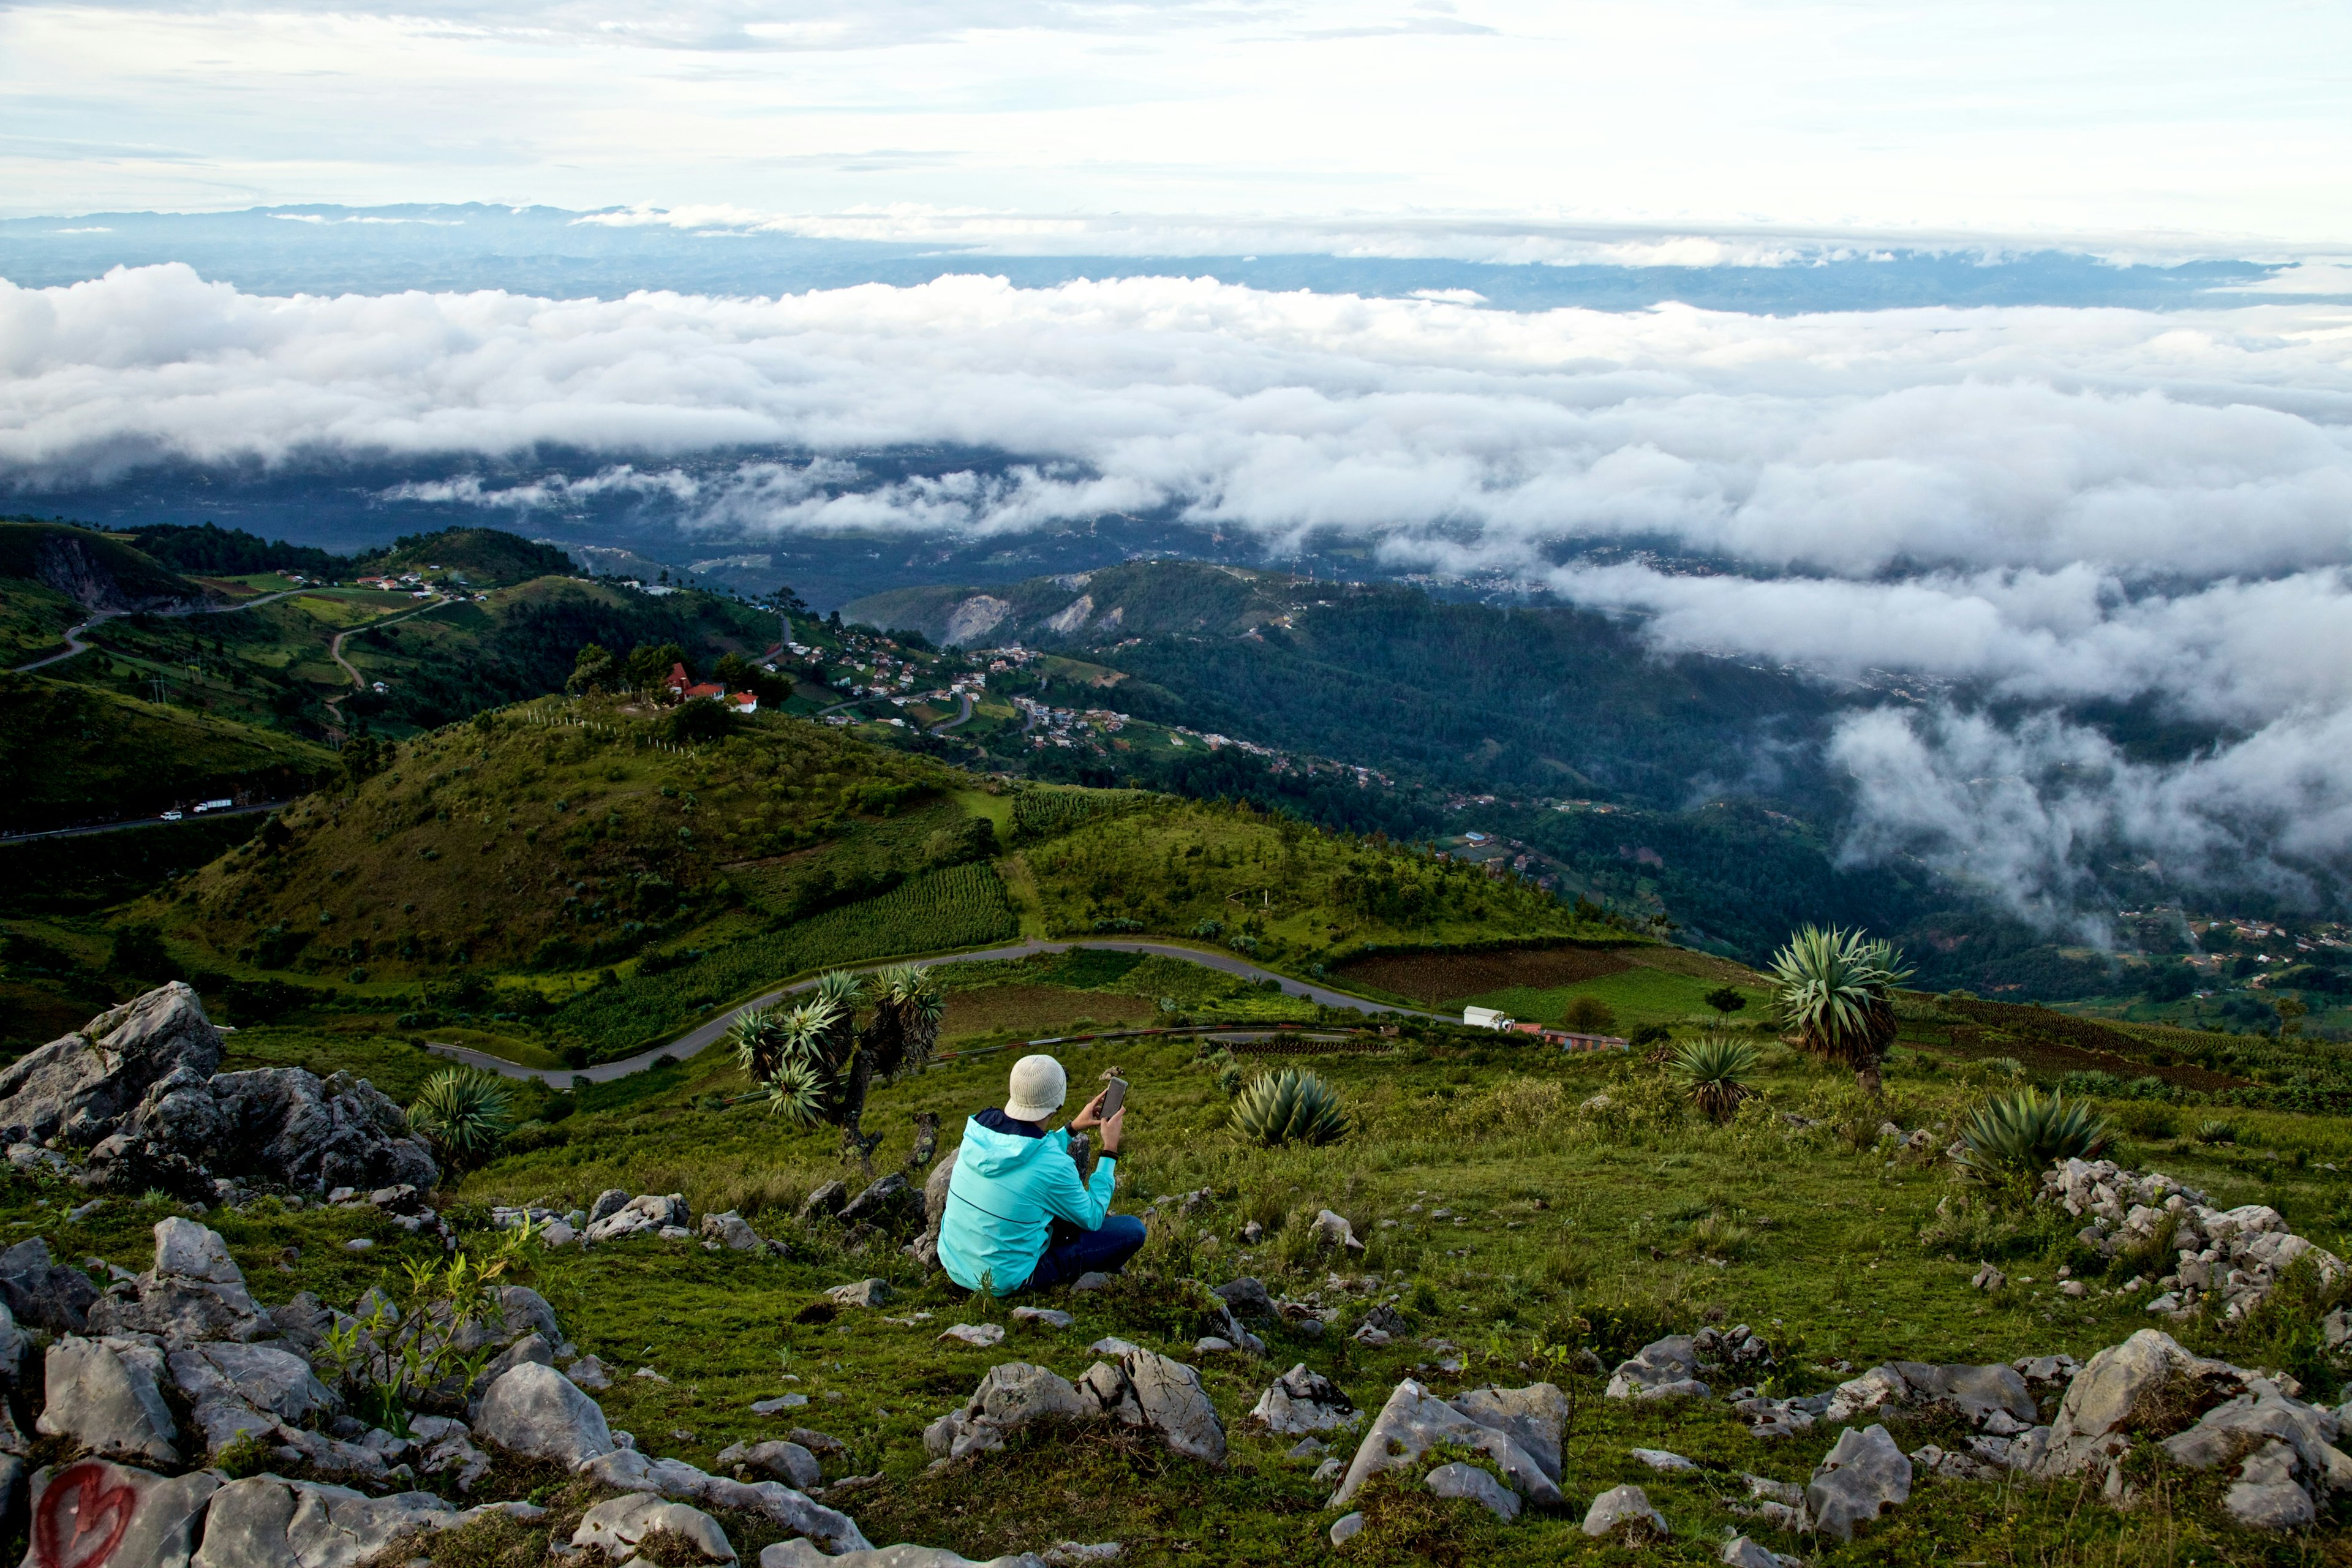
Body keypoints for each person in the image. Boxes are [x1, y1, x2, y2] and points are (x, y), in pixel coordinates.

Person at [938, 1054, 1145, 1294]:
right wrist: (1110, 1150)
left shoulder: (979, 1128)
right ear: (1059, 1101)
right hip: (1003, 1280)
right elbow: (1093, 1217)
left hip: (954, 1264)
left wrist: (1071, 1129)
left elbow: (1027, 1149)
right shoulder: (1054, 1165)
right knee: (1132, 1230)